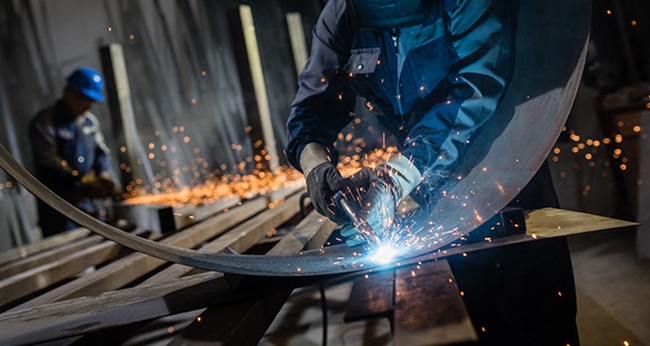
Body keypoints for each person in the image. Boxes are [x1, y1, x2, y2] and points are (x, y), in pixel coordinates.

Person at [286, 0, 579, 344]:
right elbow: (312, 104)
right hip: (438, 194)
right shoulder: (343, 15)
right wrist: (314, 164)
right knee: (488, 320)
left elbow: (477, 86)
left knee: (541, 320)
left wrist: (396, 178)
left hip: (507, 175)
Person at [29, 66, 119, 237]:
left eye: (91, 101)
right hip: (58, 207)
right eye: (84, 99)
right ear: (68, 92)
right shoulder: (46, 121)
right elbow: (48, 160)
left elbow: (101, 152)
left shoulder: (90, 122)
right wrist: (81, 179)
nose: (88, 106)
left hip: (88, 204)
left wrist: (104, 175)